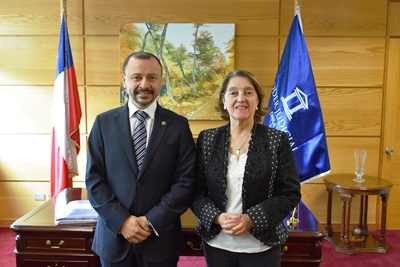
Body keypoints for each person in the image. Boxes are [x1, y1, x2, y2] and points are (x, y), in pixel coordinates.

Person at [85, 51, 196, 267]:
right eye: (136, 77)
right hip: (114, 238)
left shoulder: (178, 125)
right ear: (124, 80)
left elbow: (186, 182)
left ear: (160, 81)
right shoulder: (103, 123)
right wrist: (123, 221)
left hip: (160, 239)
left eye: (152, 77)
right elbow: (94, 180)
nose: (144, 84)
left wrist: (152, 221)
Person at [191, 70, 301, 267]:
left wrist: (252, 219)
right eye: (233, 93)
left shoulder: (276, 140)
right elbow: (196, 191)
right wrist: (217, 217)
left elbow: (290, 193)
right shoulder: (207, 140)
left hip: (261, 245)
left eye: (248, 92)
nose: (241, 98)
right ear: (224, 101)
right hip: (217, 244)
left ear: (257, 100)